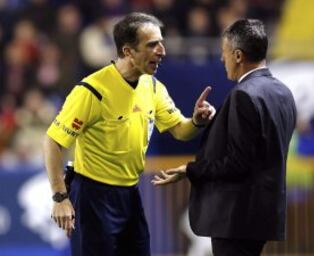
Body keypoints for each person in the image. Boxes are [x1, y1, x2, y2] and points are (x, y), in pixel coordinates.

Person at [43, 12, 216, 256]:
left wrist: (196, 121)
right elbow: (52, 142)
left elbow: (180, 130)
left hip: (130, 193)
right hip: (93, 197)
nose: (162, 51)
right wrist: (60, 197)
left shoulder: (153, 86)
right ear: (128, 52)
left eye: (161, 43)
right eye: (152, 45)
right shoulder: (92, 90)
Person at [152, 19, 297, 256]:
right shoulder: (282, 92)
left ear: (238, 56)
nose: (222, 59)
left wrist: (191, 170)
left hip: (236, 217)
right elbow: (259, 145)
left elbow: (237, 163)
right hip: (263, 214)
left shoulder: (243, 95)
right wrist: (220, 118)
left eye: (225, 53)